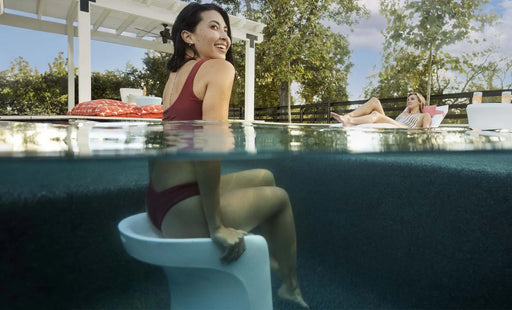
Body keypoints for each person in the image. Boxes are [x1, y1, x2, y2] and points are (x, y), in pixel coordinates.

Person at [146, 3, 308, 308]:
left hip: (158, 199)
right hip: (180, 212)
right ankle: (290, 285)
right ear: (188, 36)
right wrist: (216, 225)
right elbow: (210, 143)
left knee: (265, 177)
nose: (224, 36)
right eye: (213, 27)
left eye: (225, 29)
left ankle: (274, 256)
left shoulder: (175, 75)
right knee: (280, 197)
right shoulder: (219, 68)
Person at [330, 92, 432, 128]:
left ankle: (349, 121)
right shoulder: (403, 114)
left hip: (405, 129)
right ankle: (348, 116)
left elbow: (426, 130)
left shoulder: (425, 115)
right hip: (395, 125)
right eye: (408, 99)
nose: (409, 101)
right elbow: (391, 122)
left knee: (376, 114)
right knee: (375, 101)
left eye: (412, 99)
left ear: (419, 102)